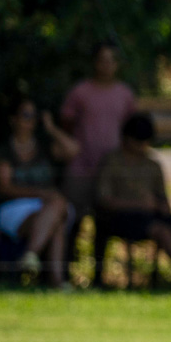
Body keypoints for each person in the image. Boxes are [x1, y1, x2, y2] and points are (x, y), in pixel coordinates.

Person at [94, 112, 171, 286]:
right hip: (121, 217)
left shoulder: (152, 165)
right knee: (162, 231)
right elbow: (103, 200)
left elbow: (164, 198)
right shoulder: (111, 162)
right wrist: (137, 204)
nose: (143, 146)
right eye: (139, 141)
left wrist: (162, 206)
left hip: (152, 215)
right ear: (127, 139)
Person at [0, 97, 78, 285]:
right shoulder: (5, 151)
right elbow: (4, 187)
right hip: (15, 208)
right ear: (13, 119)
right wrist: (41, 193)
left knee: (56, 210)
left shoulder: (45, 146)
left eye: (34, 115)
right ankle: (56, 281)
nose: (30, 120)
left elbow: (73, 150)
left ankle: (31, 256)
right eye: (25, 114)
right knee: (58, 209)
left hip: (47, 208)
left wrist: (51, 128)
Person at [59, 41, 136, 233]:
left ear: (117, 64)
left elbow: (130, 130)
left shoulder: (125, 94)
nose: (106, 65)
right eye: (102, 60)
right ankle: (66, 263)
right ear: (95, 62)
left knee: (105, 225)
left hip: (111, 171)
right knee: (71, 222)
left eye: (111, 61)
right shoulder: (80, 92)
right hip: (80, 169)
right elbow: (66, 123)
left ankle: (99, 264)